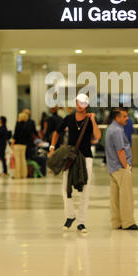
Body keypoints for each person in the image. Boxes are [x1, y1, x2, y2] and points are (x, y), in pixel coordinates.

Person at [49, 93, 101, 233]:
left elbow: (98, 136)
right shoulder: (69, 118)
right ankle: (70, 216)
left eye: (83, 103)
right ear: (76, 102)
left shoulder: (90, 119)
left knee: (85, 189)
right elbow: (56, 132)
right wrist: (52, 147)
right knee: (66, 188)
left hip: (86, 157)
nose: (80, 105)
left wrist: (94, 120)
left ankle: (81, 222)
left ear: (87, 104)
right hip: (71, 157)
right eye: (78, 102)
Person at [105, 108, 138, 230]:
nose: (127, 119)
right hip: (120, 168)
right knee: (126, 197)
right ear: (117, 117)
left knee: (115, 198)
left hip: (113, 168)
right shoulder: (117, 131)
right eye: (124, 116)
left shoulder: (111, 128)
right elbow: (120, 150)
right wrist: (126, 167)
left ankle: (117, 222)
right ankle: (128, 222)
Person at [11, 112, 31, 179]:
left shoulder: (18, 124)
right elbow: (29, 136)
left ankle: (17, 175)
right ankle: (24, 174)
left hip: (17, 144)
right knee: (23, 159)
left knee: (17, 160)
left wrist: (12, 143)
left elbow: (15, 135)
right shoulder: (28, 125)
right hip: (24, 145)